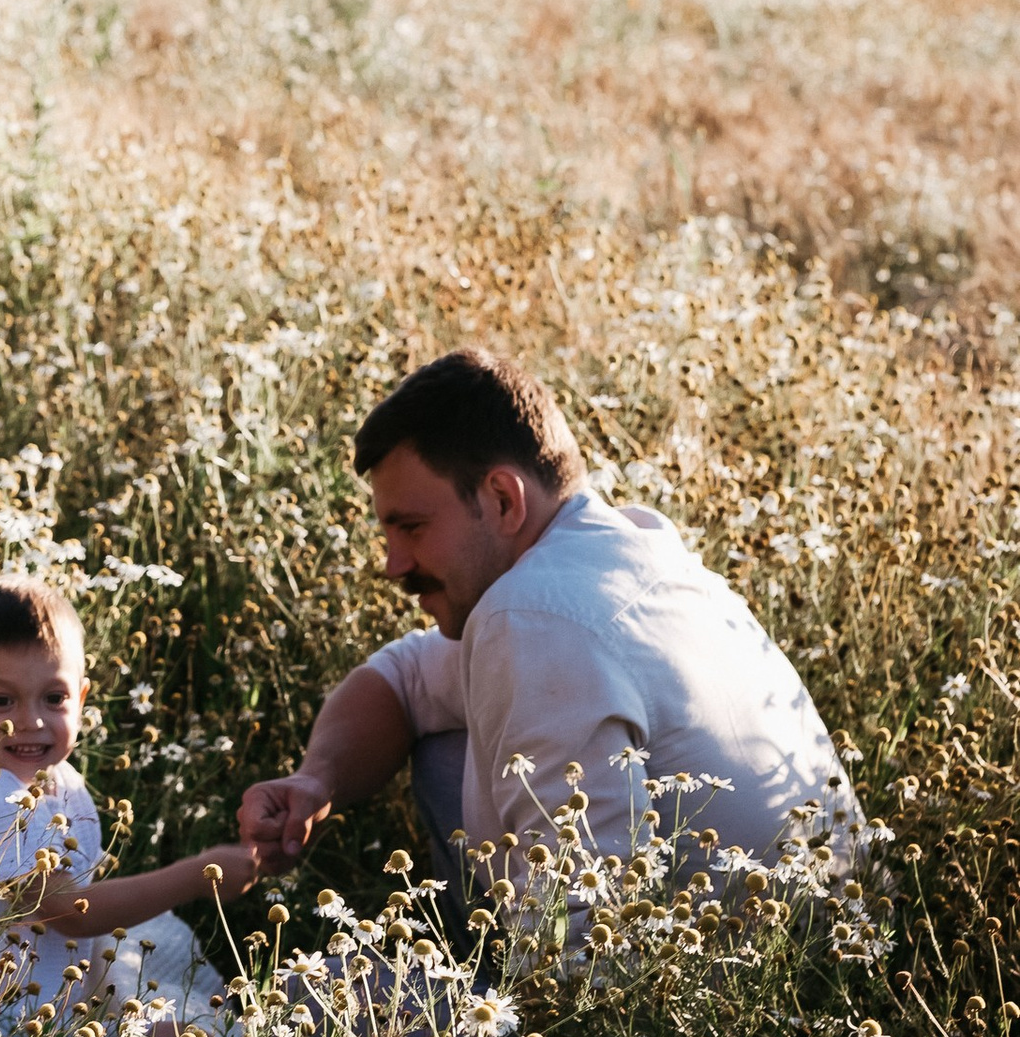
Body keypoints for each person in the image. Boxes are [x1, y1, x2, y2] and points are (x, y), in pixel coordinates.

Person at [238, 348, 863, 958]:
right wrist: (315, 779)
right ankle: (462, 961)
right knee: (443, 749)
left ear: (503, 501)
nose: (393, 565)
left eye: (412, 528)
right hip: (844, 947)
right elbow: (403, 679)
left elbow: (589, 951)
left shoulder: (533, 617)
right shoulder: (628, 551)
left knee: (282, 1015)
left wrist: (404, 1017)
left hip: (731, 1003)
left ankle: (459, 968)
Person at [0, 576, 258, 1037]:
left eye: (54, 698)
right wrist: (198, 875)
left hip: (45, 1009)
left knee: (181, 1033)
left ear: (82, 699)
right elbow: (73, 914)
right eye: (1, 700)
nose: (31, 721)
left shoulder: (59, 781)